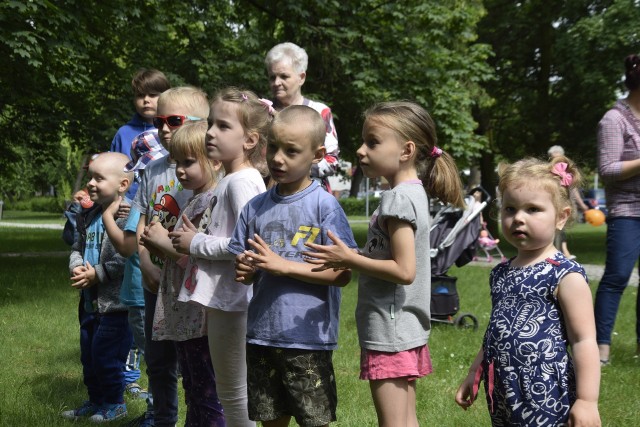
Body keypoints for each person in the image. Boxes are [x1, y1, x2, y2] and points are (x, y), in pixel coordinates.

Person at [303, 101, 464, 426]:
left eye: (373, 142)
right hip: (404, 327)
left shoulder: (397, 199)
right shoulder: (411, 192)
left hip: (390, 330)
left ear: (406, 150)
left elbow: (404, 271)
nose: (361, 151)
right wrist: (356, 256)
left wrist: (349, 258)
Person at [228, 104, 357, 427]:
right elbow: (244, 269)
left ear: (317, 155)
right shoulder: (255, 207)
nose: (278, 158)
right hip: (262, 333)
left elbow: (342, 273)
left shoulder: (324, 206)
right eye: (273, 147)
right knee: (270, 418)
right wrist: (246, 271)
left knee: (314, 420)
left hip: (306, 339)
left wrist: (283, 267)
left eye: (291, 151)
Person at [455, 157, 601, 426]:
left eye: (533, 209)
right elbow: (495, 331)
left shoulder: (564, 274)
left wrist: (587, 400)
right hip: (504, 387)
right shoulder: (501, 272)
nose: (518, 218)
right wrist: (474, 373)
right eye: (510, 209)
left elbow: (584, 340)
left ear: (561, 217)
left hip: (546, 391)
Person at [168, 87, 269, 427]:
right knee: (230, 388)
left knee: (234, 391)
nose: (211, 132)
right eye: (211, 123)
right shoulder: (232, 179)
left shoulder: (241, 182)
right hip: (226, 301)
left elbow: (246, 245)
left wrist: (196, 242)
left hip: (235, 302)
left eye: (224, 126)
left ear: (250, 140)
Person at [131, 86, 208, 427]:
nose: (163, 128)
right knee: (158, 359)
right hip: (156, 283)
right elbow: (143, 222)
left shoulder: (208, 170)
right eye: (159, 120)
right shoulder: (153, 169)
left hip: (194, 285)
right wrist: (146, 263)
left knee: (196, 361)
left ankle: (201, 417)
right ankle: (161, 418)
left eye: (173, 120)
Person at [140, 120, 225, 426]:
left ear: (214, 160)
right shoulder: (193, 200)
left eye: (189, 162)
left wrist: (163, 243)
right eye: (177, 162)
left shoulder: (213, 202)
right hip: (184, 315)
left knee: (208, 391)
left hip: (199, 317)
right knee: (193, 387)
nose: (179, 170)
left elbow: (204, 261)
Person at [102, 130, 169, 426]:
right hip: (142, 291)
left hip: (142, 294)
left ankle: (157, 416)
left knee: (156, 362)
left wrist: (107, 216)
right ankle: (158, 413)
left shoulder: (139, 203)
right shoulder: (153, 196)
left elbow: (127, 245)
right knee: (157, 360)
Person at [62, 152, 135, 422]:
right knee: (89, 356)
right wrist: (77, 266)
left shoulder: (126, 216)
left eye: (99, 178)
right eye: (90, 177)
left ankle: (115, 403)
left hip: (115, 305)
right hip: (89, 302)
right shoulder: (88, 216)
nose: (91, 183)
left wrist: (99, 273)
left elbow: (127, 258)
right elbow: (76, 248)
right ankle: (95, 400)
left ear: (122, 184)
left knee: (107, 357)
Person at [594, 53, 640, 365]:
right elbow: (608, 169)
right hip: (627, 210)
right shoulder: (614, 119)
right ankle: (600, 349)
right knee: (617, 276)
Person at [265, 42, 339, 191]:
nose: (277, 82)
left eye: (284, 76)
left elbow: (332, 160)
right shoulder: (262, 112)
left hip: (311, 196)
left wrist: (294, 170)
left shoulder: (319, 111)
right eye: (272, 77)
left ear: (301, 77)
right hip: (268, 196)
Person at [111, 68, 171, 200]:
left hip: (166, 200)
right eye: (140, 95)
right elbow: (112, 173)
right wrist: (118, 200)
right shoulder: (123, 133)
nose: (146, 100)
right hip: (127, 203)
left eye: (153, 95)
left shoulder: (174, 130)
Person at [547, 145, 589, 260]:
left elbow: (574, 190)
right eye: (552, 157)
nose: (555, 160)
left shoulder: (568, 174)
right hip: (552, 204)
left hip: (565, 204)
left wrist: (581, 204)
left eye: (558, 157)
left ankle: (563, 252)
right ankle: (562, 253)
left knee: (561, 227)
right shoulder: (548, 173)